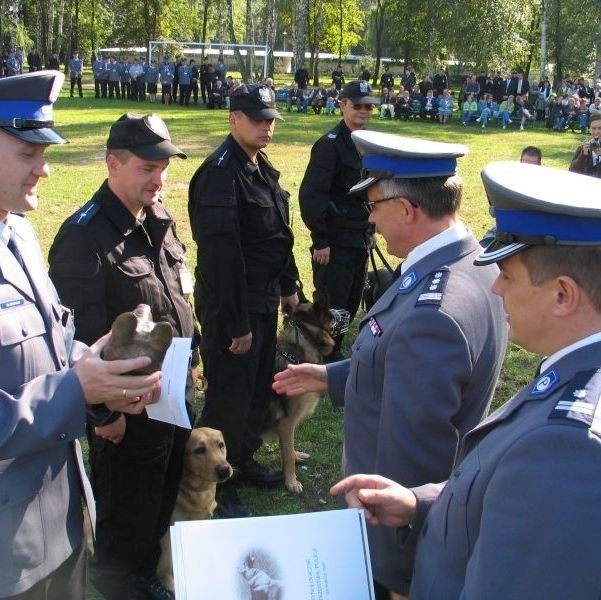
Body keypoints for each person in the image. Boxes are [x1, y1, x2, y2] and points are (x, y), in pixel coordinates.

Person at [332, 161, 601, 599]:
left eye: (509, 276)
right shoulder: (573, 376)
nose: (495, 290)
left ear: (562, 295)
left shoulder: (570, 444)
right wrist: (421, 504)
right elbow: (512, 497)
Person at [275, 130, 508, 599]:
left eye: (375, 204)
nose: (371, 217)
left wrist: (395, 572)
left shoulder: (432, 314)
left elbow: (412, 461)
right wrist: (330, 375)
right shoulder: (472, 266)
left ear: (407, 210)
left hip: (390, 540)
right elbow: (398, 363)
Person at [0, 71, 162, 600]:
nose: (44, 170)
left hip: (62, 522)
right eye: (28, 153)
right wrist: (79, 390)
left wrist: (109, 375)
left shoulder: (17, 232)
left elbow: (52, 339)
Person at [48, 113, 199, 600]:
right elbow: (79, 336)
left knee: (159, 499)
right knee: (126, 512)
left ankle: (142, 578)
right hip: (125, 410)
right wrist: (104, 414)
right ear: (113, 163)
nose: (159, 178)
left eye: (164, 168)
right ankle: (118, 585)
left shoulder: (157, 219)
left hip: (170, 397)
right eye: (147, 168)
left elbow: (176, 296)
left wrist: (192, 358)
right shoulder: (84, 237)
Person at [188, 84, 299, 519]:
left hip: (263, 298)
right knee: (229, 396)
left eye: (270, 119)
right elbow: (222, 257)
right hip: (233, 306)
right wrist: (236, 324)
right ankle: (221, 483)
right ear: (233, 118)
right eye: (257, 119)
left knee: (256, 389)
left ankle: (243, 460)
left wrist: (289, 285)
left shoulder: (258, 165)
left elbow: (277, 234)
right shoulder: (219, 173)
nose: (266, 127)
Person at [299, 81, 377, 360]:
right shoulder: (329, 146)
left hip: (361, 237)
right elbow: (312, 195)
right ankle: (320, 354)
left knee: (353, 299)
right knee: (332, 302)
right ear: (343, 105)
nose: (364, 111)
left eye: (369, 106)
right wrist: (320, 238)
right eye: (357, 105)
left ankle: (335, 349)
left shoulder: (372, 143)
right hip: (335, 239)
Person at [569, 113, 601, 178]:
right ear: (589, 129)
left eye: (600, 128)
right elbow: (572, 172)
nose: (596, 132)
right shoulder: (583, 148)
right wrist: (583, 155)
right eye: (593, 128)